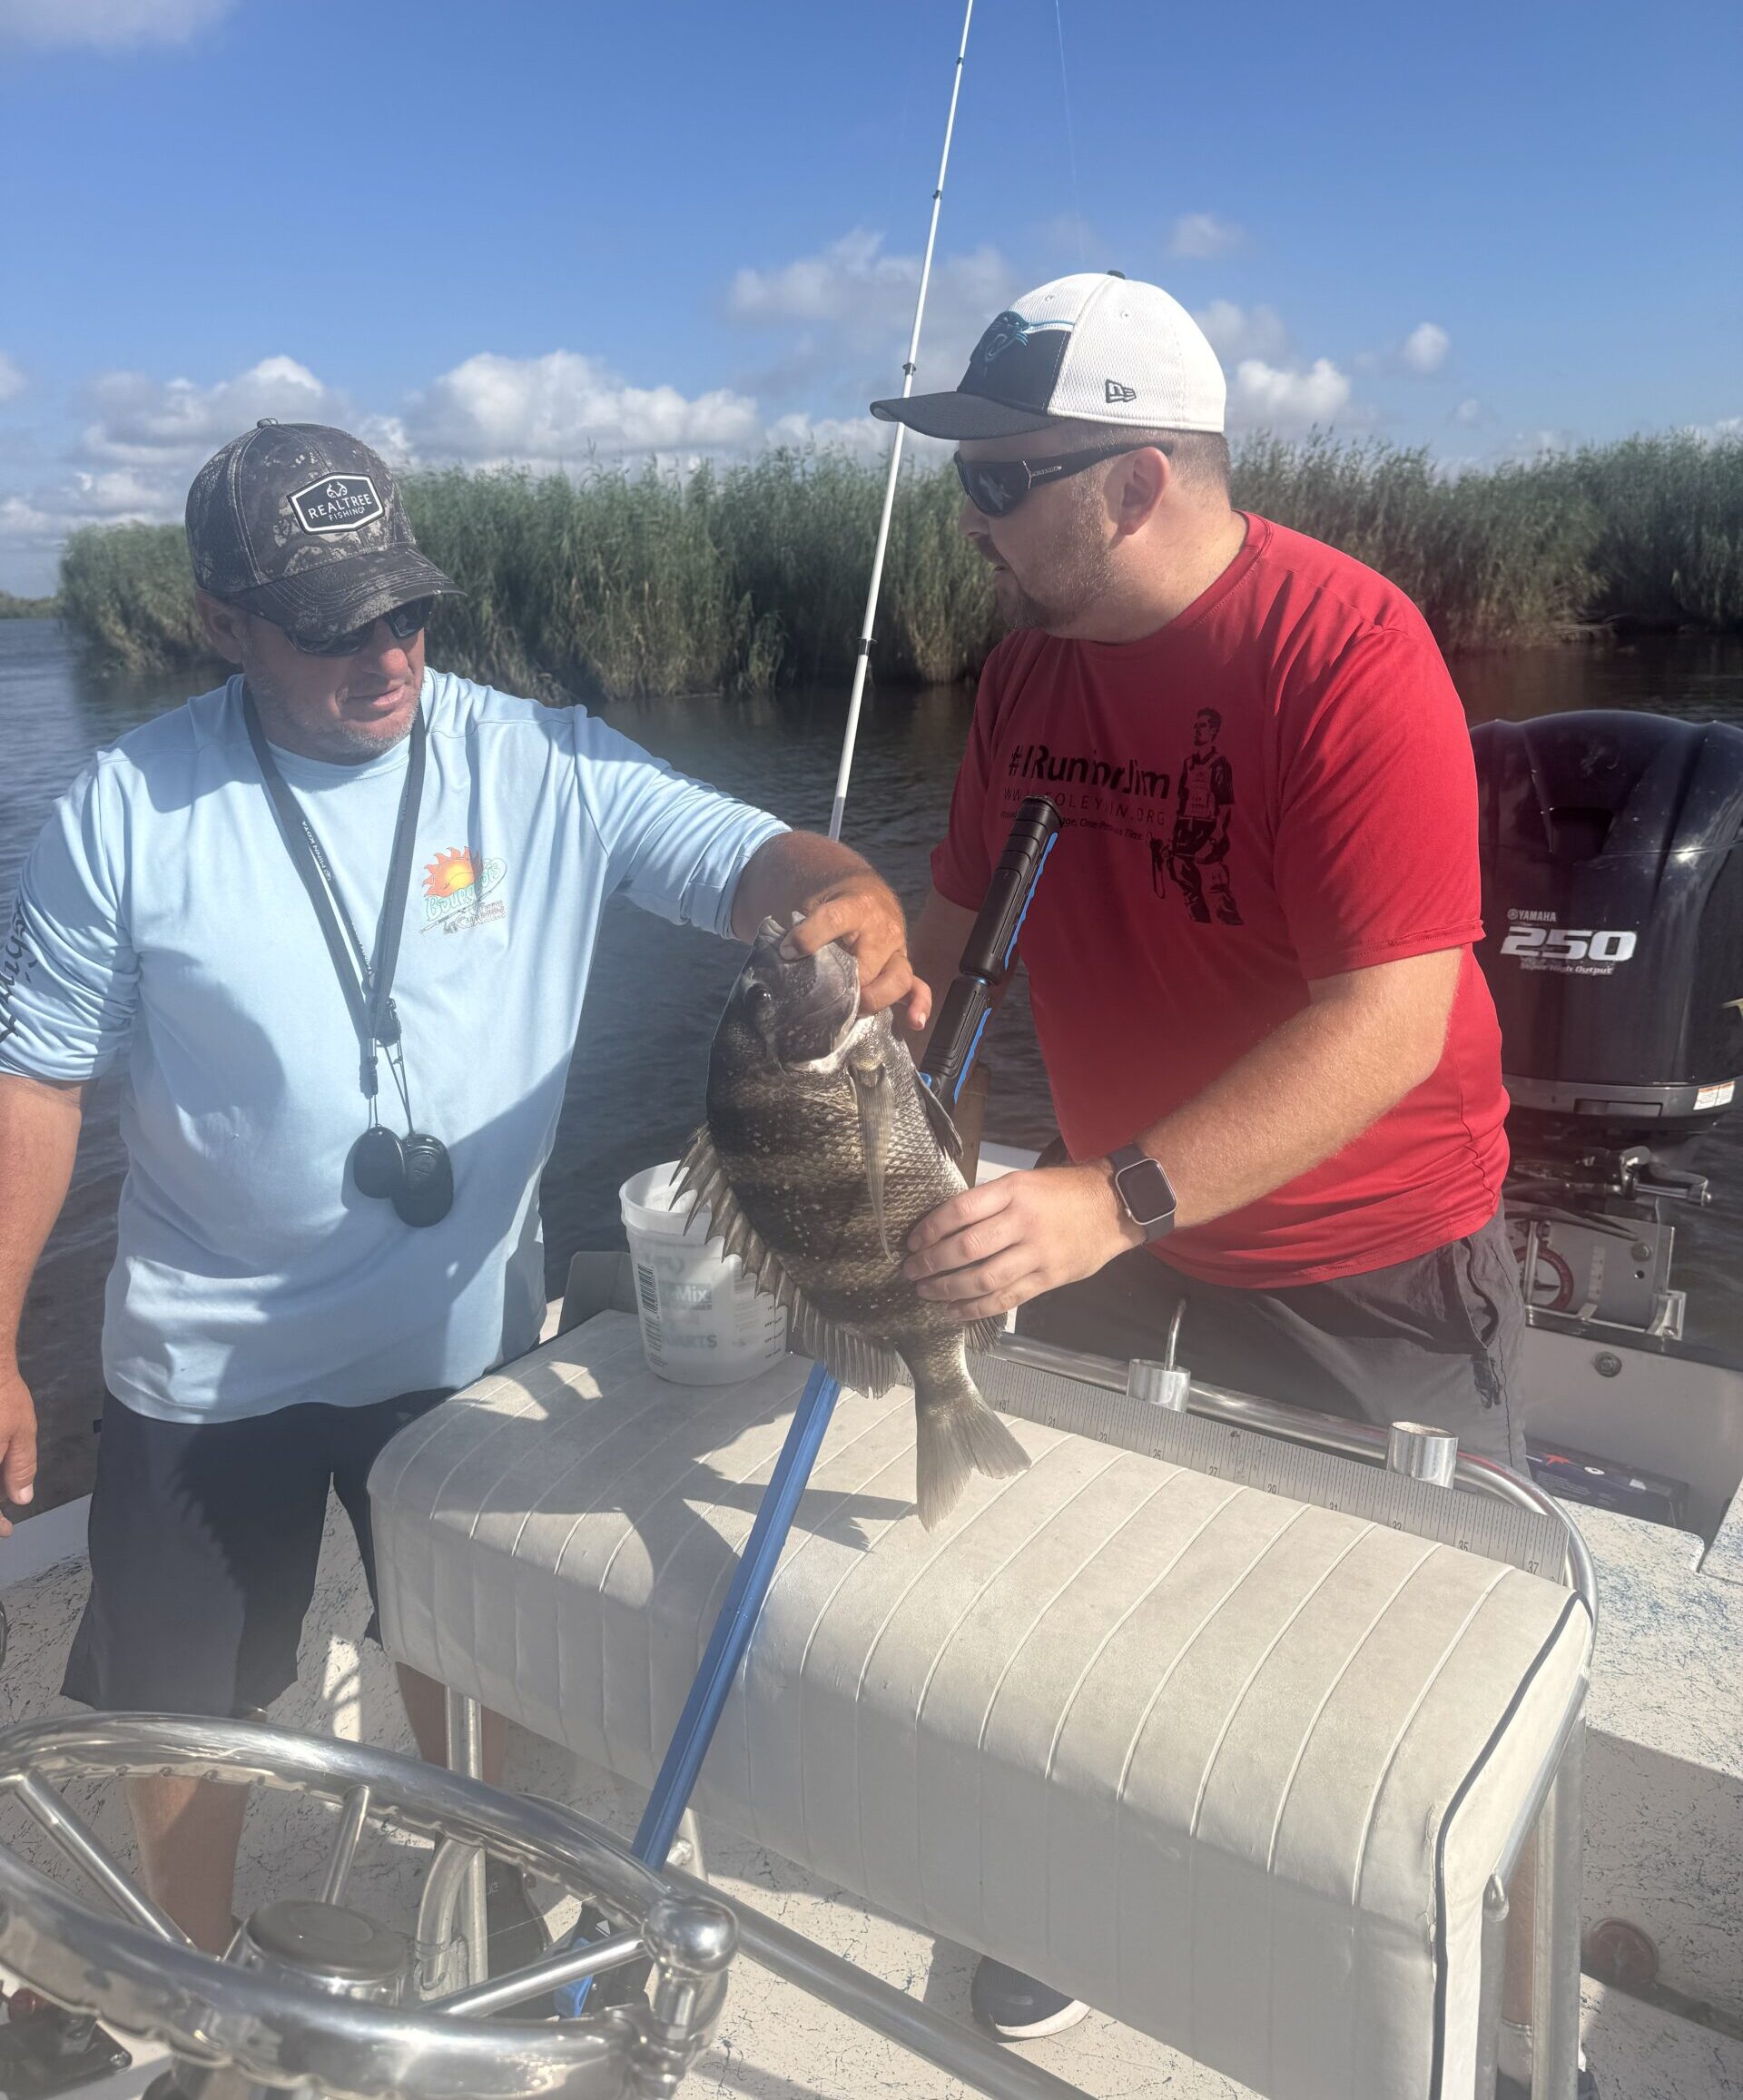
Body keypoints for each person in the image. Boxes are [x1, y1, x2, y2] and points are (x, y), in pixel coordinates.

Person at [0, 420, 923, 1955]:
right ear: (222, 621)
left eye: (407, 609)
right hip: (207, 1353)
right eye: (332, 624)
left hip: (460, 1336)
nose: (387, 655)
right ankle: (199, 1964)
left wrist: (851, 895)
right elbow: (35, 1082)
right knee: (185, 1699)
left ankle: (481, 1898)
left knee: (468, 1645)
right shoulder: (124, 809)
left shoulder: (541, 760)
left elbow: (755, 862)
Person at [873, 275, 1586, 2100]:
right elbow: (951, 943)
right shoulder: (1026, 670)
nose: (971, 518)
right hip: (1114, 1224)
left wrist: (1103, 1200)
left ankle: (1510, 2034)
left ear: (1132, 483)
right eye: (964, 479)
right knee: (1081, 1592)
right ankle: (1073, 1897)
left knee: (1440, 1686)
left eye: (1001, 480)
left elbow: (1390, 1023)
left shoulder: (1346, 654)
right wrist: (879, 1108)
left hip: (1365, 1262)